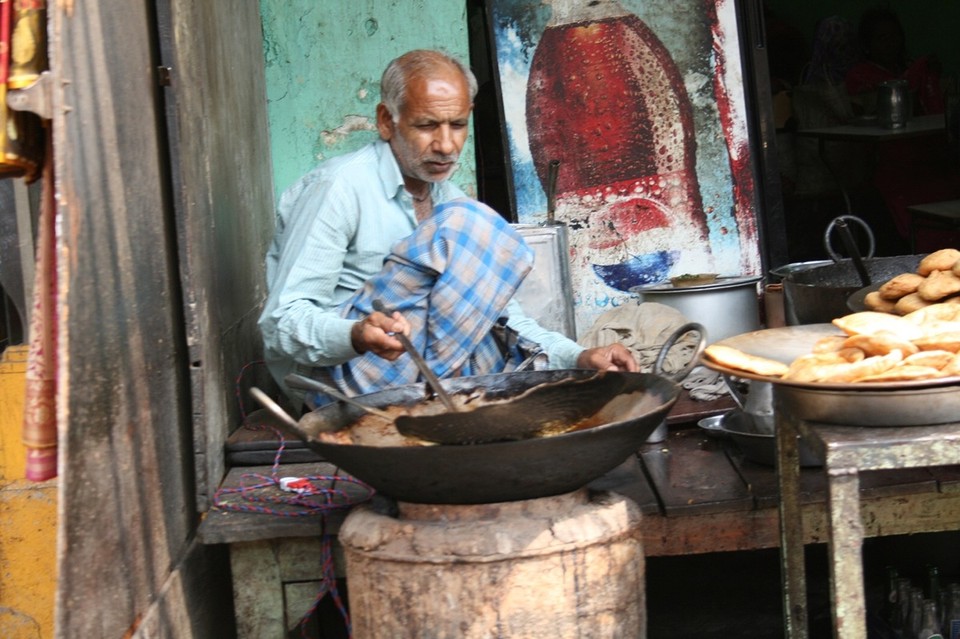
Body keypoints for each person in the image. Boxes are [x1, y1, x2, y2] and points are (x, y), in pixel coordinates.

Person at [258, 49, 637, 408]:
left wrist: (579, 357)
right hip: (343, 386)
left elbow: (504, 317)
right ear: (387, 121)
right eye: (426, 126)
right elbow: (281, 323)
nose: (445, 144)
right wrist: (355, 335)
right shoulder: (339, 188)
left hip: (422, 382)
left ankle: (456, 406)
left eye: (457, 125)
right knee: (472, 223)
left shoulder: (448, 198)